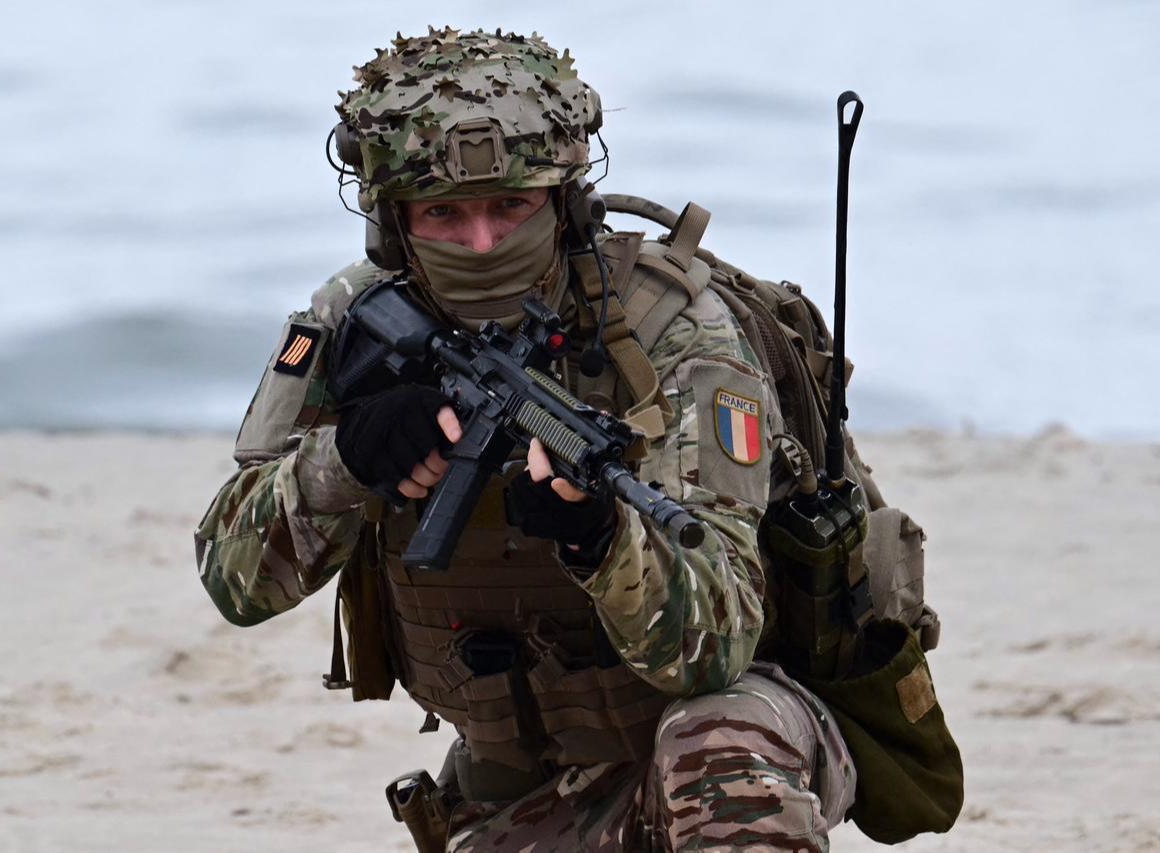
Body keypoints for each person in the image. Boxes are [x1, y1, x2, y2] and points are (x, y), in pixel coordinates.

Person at [194, 27, 961, 851]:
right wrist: (343, 460)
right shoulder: (354, 318)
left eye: (510, 206)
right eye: (443, 213)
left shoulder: (672, 328)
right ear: (392, 222)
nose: (483, 243)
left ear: (562, 202)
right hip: (522, 786)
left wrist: (602, 539)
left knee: (720, 740)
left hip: (719, 729)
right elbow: (235, 582)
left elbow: (718, 646)